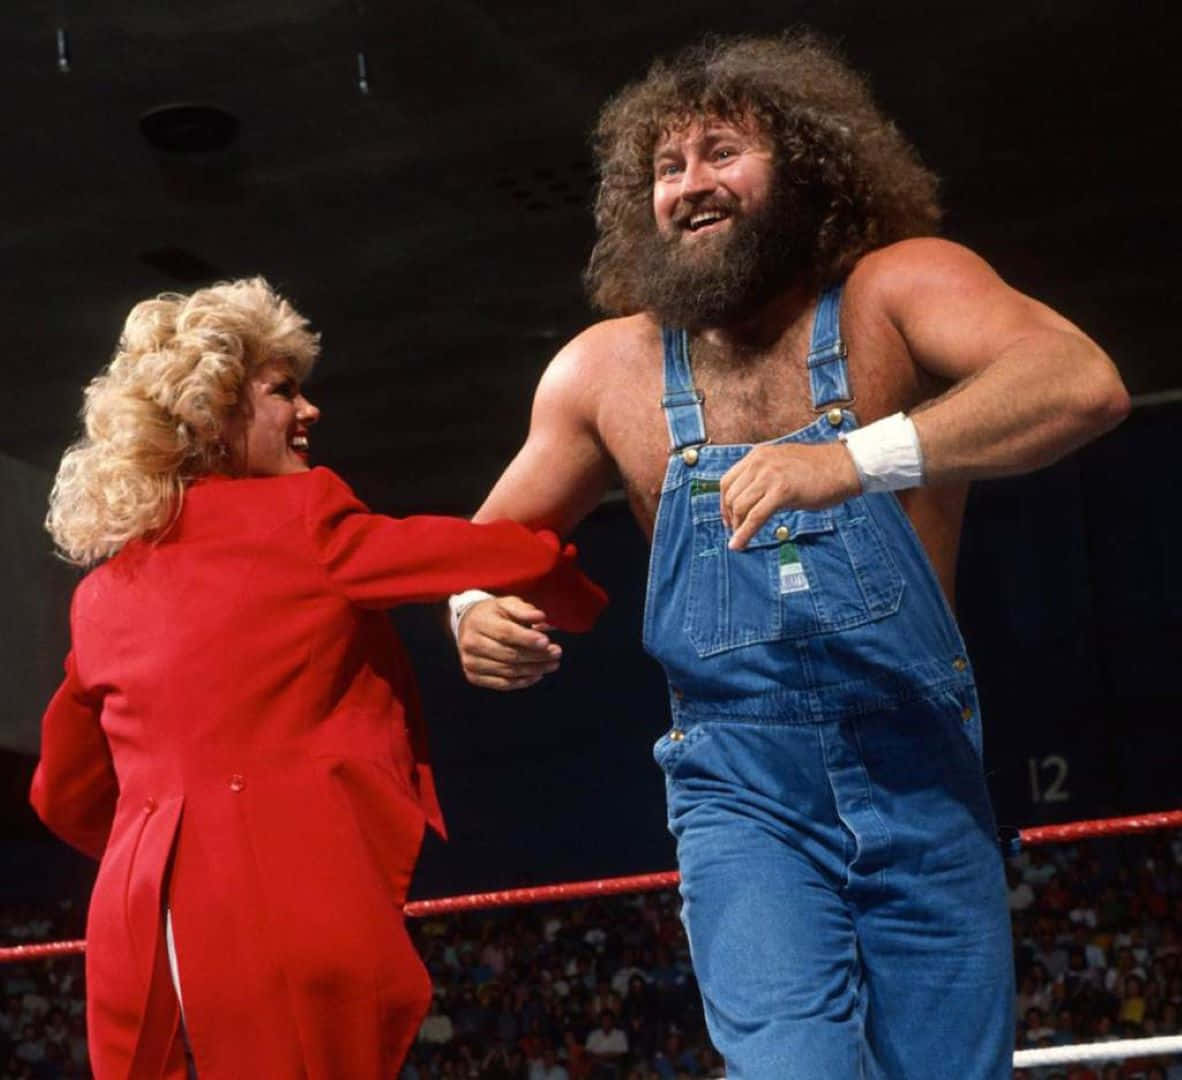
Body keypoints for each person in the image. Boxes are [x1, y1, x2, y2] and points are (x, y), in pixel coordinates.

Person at [451, 31, 1129, 1080]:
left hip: (919, 764)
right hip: (741, 788)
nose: (690, 184)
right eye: (667, 167)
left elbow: (1080, 382)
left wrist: (854, 458)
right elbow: (478, 552)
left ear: (809, 166)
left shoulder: (898, 291)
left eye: (722, 152)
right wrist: (469, 610)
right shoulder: (606, 371)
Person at [30, 278, 605, 1079]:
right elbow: (486, 552)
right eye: (282, 390)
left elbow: (60, 792)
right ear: (212, 411)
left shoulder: (101, 594)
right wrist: (584, 601)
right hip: (282, 917)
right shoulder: (299, 517)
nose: (310, 409)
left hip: (137, 946)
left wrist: (158, 841)